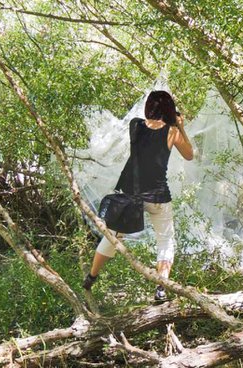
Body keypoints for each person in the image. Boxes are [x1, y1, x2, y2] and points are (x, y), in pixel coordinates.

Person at [82, 90, 193, 301]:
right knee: (165, 241)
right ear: (169, 110)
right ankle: (161, 288)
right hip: (158, 196)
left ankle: (91, 276)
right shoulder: (172, 132)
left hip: (131, 194)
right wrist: (180, 126)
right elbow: (189, 155)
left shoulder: (136, 125)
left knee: (113, 235)